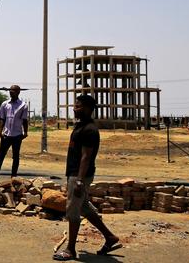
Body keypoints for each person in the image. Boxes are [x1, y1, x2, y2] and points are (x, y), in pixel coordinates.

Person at [53, 94, 121, 261]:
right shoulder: (81, 126)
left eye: (78, 106)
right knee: (83, 207)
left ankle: (70, 250)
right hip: (76, 173)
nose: (74, 109)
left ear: (88, 109)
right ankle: (110, 237)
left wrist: (79, 180)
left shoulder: (90, 130)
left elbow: (86, 157)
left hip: (79, 174)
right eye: (75, 106)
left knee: (73, 211)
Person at [0, 85, 28, 178]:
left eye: (13, 90)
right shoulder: (5, 104)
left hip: (17, 135)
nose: (11, 92)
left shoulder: (23, 105)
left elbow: (24, 120)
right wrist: (0, 131)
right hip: (6, 135)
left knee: (16, 157)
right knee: (1, 156)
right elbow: (2, 118)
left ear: (18, 92)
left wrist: (26, 132)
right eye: (10, 90)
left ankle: (14, 177)